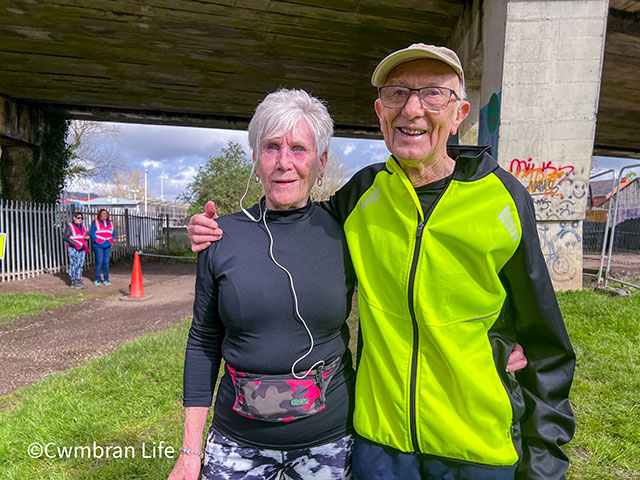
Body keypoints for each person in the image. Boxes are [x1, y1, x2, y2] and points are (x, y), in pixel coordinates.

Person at [188, 44, 575, 479]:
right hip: (381, 446)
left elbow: (546, 343)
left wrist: (544, 461)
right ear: (379, 110)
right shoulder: (359, 197)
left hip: (479, 447)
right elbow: (290, 222)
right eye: (397, 94)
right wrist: (215, 231)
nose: (412, 110)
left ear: (460, 112)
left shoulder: (503, 199)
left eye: (433, 94)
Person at [168, 88, 358, 480]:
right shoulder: (220, 235)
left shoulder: (347, 232)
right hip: (237, 444)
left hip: (330, 443)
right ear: (255, 159)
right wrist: (190, 452)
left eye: (299, 149)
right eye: (271, 148)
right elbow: (203, 339)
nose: (284, 163)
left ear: (321, 163)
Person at [62, 211, 89, 289]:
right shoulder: (69, 226)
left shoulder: (82, 227)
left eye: (81, 218)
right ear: (74, 218)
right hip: (73, 248)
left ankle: (79, 279)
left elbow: (82, 236)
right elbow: (66, 237)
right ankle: (73, 280)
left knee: (80, 264)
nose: (80, 219)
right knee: (73, 264)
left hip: (82, 248)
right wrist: (74, 244)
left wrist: (86, 238)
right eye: (78, 218)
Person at [90, 208, 113, 286]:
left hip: (107, 245)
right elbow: (92, 233)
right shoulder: (95, 222)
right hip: (98, 245)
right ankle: (97, 279)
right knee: (99, 262)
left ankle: (106, 279)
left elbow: (113, 232)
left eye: (106, 213)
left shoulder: (110, 223)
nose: (105, 215)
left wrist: (111, 240)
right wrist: (97, 241)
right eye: (103, 213)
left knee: (106, 263)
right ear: (100, 215)